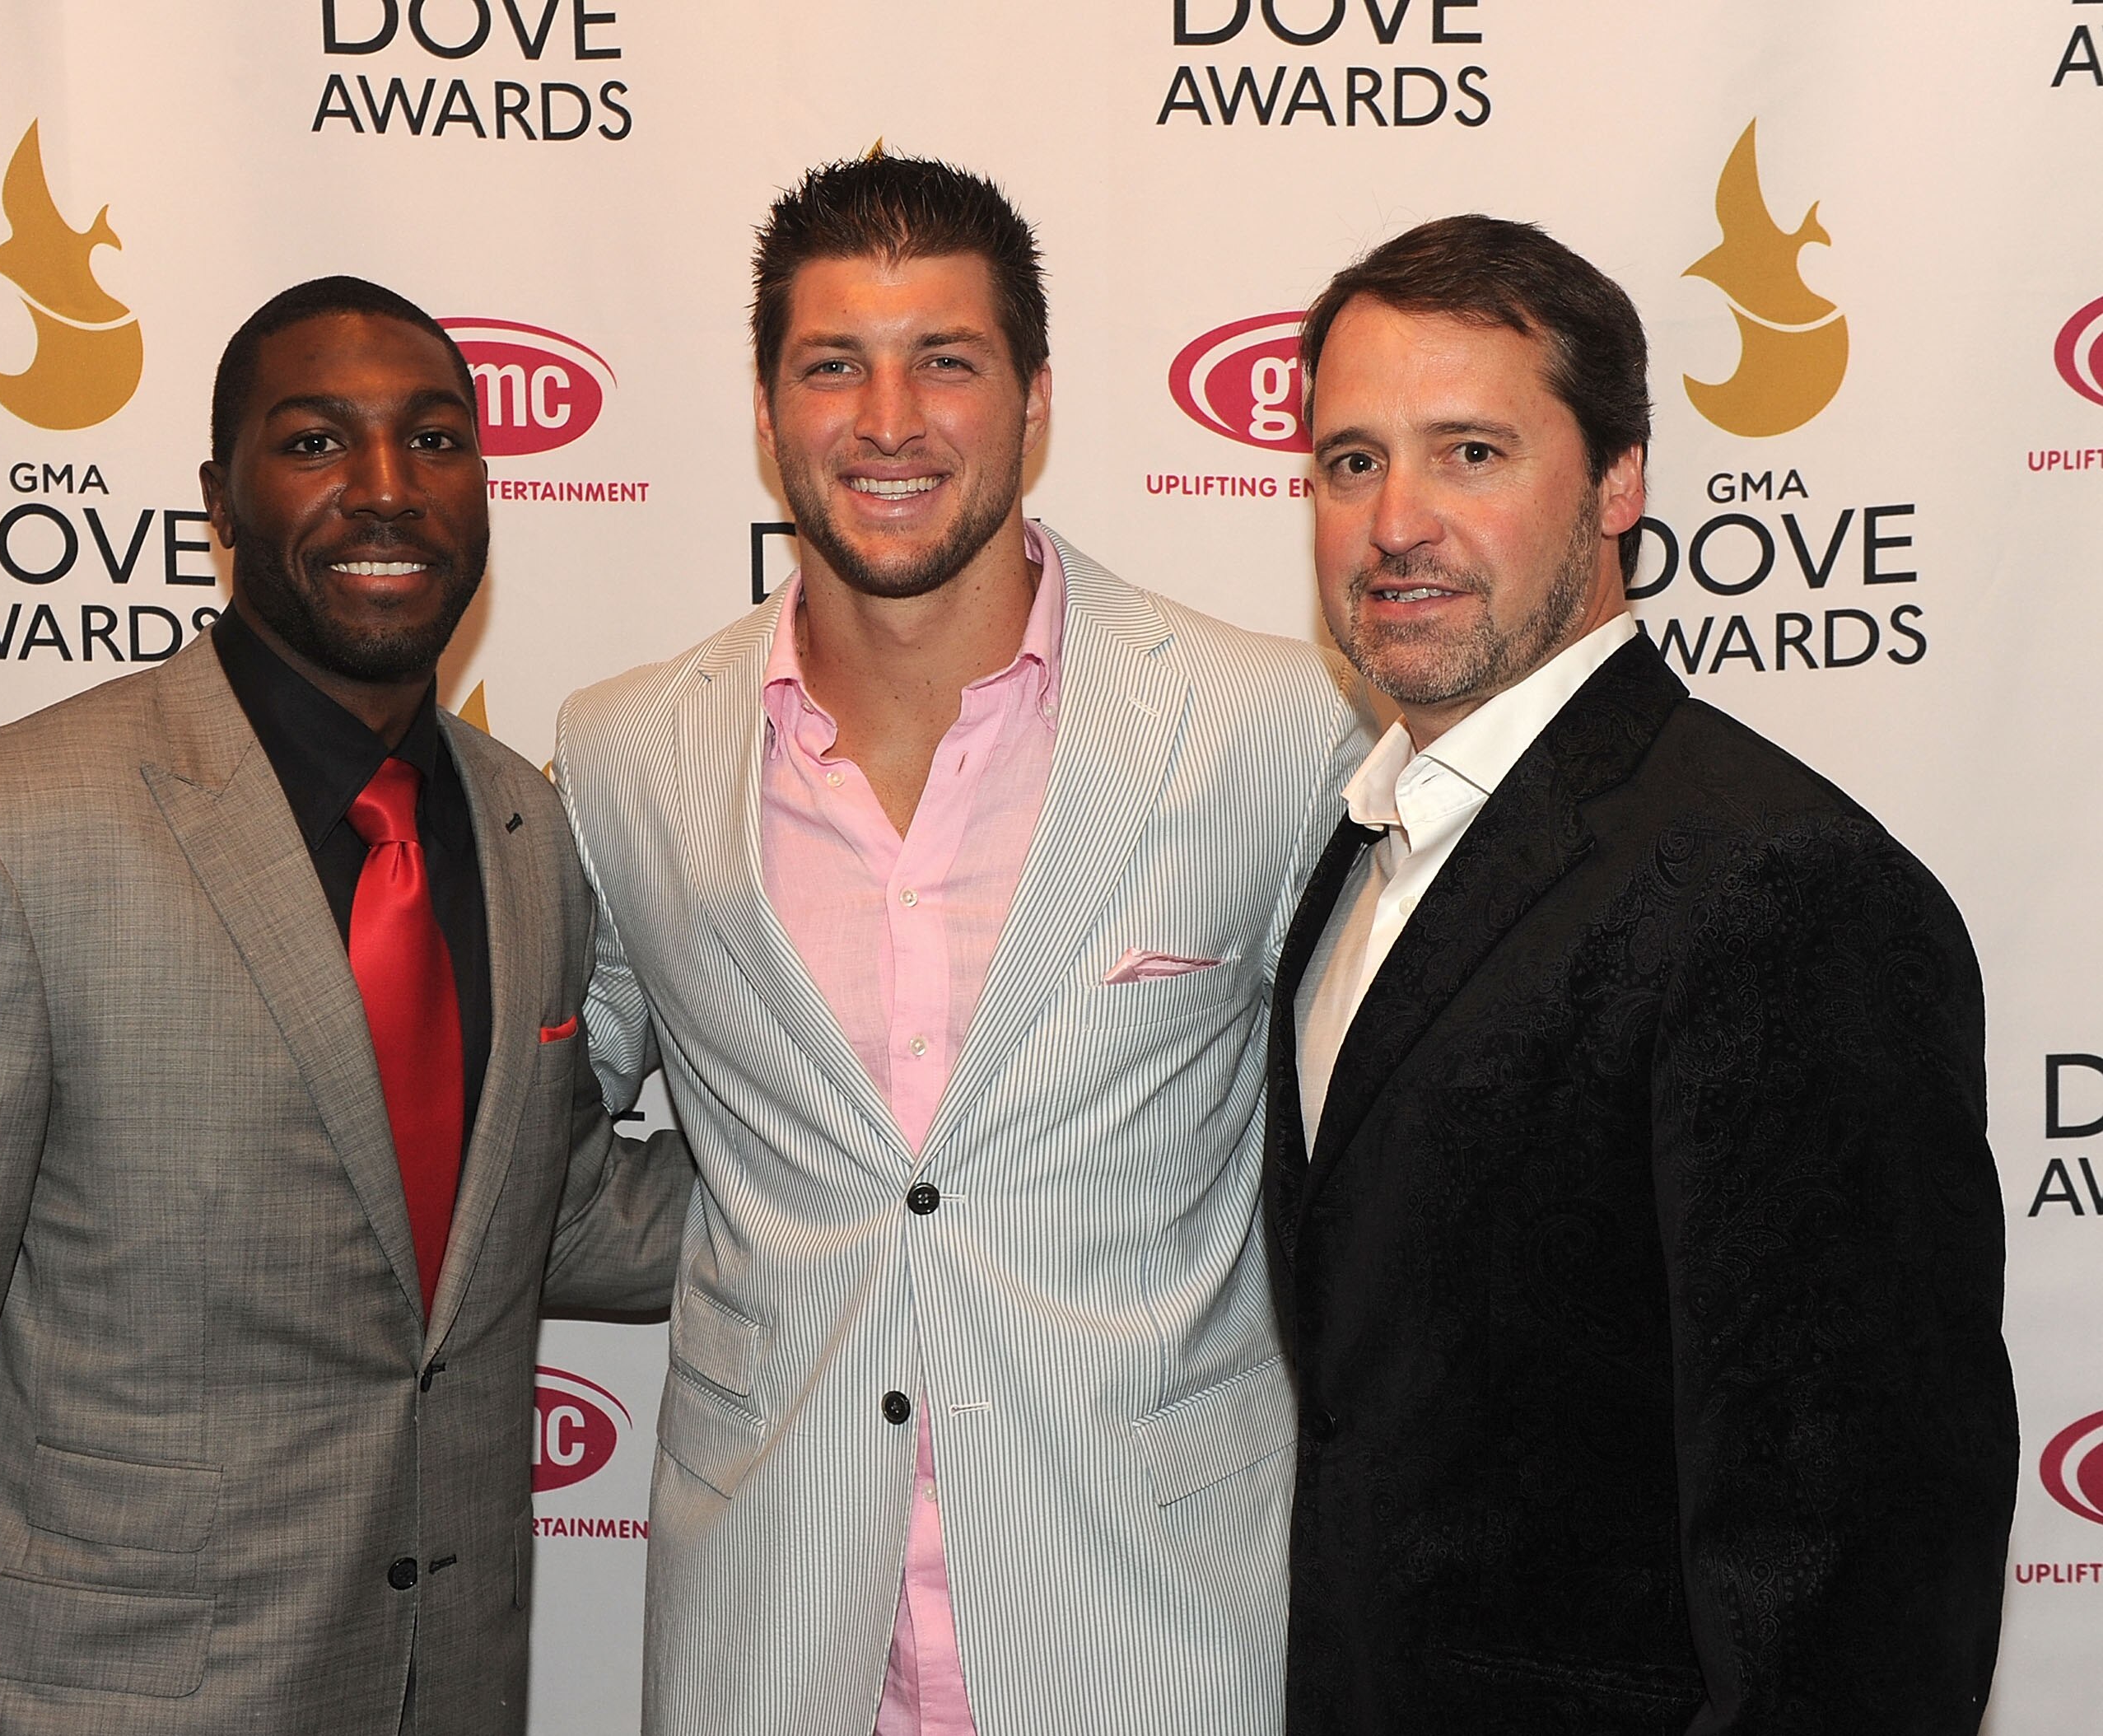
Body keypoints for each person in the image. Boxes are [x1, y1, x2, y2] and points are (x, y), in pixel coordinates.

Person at [0, 276, 688, 1736]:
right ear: (215, 500)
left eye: (435, 441)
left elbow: (532, 1212)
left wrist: (909, 1187)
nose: (385, 490)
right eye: (315, 445)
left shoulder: (521, 831)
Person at [554, 153, 1367, 1735]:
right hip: (772, 1637)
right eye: (832, 365)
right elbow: (540, 1154)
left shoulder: (1275, 729)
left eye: (946, 360)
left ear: (1034, 398)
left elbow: (1371, 1158)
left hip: (1162, 1640)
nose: (889, 420)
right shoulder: (627, 753)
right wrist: (756, 1231)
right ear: (769, 406)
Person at [1266, 214, 2017, 1734]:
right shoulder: (1364, 852)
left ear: (1620, 484)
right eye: (1353, 462)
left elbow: (1860, 1579)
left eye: (1469, 453)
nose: (1395, 521)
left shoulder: (1777, 890)